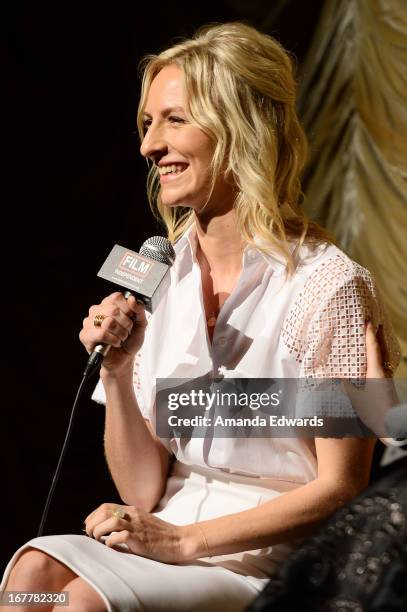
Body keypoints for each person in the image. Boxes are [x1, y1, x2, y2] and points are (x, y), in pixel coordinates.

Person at [0, 22, 400, 612]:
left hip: (277, 555)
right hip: (169, 532)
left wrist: (184, 540)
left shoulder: (328, 288)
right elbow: (141, 490)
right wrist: (119, 368)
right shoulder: (162, 274)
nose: (148, 146)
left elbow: (341, 486)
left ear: (241, 128)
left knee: (80, 602)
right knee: (31, 579)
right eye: (147, 124)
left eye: (174, 120)